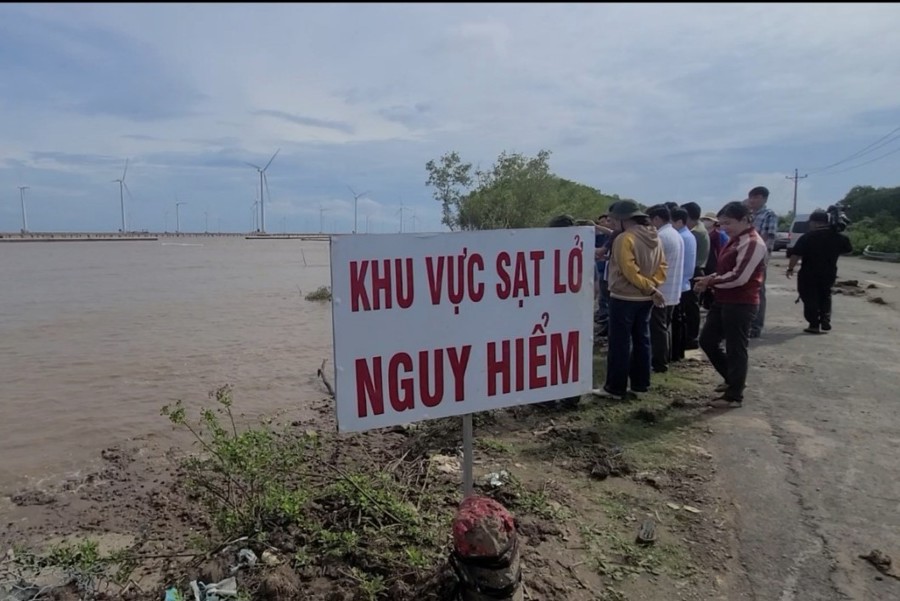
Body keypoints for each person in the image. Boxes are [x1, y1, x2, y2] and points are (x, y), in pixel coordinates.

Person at [694, 201, 767, 408]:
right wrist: (711, 278)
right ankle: (733, 379)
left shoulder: (753, 242)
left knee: (736, 347)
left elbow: (739, 277)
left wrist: (711, 281)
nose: (724, 228)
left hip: (741, 303)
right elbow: (727, 270)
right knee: (707, 340)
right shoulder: (736, 240)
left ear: (744, 220)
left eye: (728, 223)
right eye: (722, 223)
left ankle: (734, 396)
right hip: (724, 299)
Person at [592, 201, 667, 400]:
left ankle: (614, 388)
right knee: (642, 339)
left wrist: (649, 288)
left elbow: (629, 270)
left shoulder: (625, 238)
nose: (611, 223)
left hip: (624, 297)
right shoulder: (654, 236)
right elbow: (662, 266)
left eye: (614, 219)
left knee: (619, 344)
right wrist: (652, 287)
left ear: (624, 218)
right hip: (646, 297)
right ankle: (640, 384)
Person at [785, 210, 853, 334]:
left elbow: (795, 255)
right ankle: (825, 319)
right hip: (829, 272)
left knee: (809, 297)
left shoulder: (807, 237)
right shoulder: (838, 237)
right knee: (825, 296)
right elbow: (848, 250)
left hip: (808, 273)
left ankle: (814, 324)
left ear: (815, 222)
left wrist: (790, 268)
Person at [647, 204, 685, 373]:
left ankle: (659, 363)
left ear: (656, 219)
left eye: (650, 221)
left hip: (661, 290)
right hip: (672, 289)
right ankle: (663, 359)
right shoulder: (675, 234)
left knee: (657, 330)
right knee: (663, 327)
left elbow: (653, 264)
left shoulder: (661, 237)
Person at [746, 186, 778, 338]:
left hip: (759, 258)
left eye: (756, 197)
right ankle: (747, 322)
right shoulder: (748, 215)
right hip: (745, 257)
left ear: (764, 199)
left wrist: (753, 251)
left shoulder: (769, 215)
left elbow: (766, 237)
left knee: (758, 291)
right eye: (751, 197)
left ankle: (756, 326)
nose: (752, 200)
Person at [672, 207, 697, 356]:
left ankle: (676, 352)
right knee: (680, 321)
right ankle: (678, 351)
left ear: (680, 221)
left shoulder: (682, 237)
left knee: (677, 322)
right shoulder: (687, 235)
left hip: (680, 283)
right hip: (684, 282)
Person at [594, 214, 613, 337]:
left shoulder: (620, 235)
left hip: (611, 276)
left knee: (607, 302)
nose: (606, 223)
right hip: (606, 272)